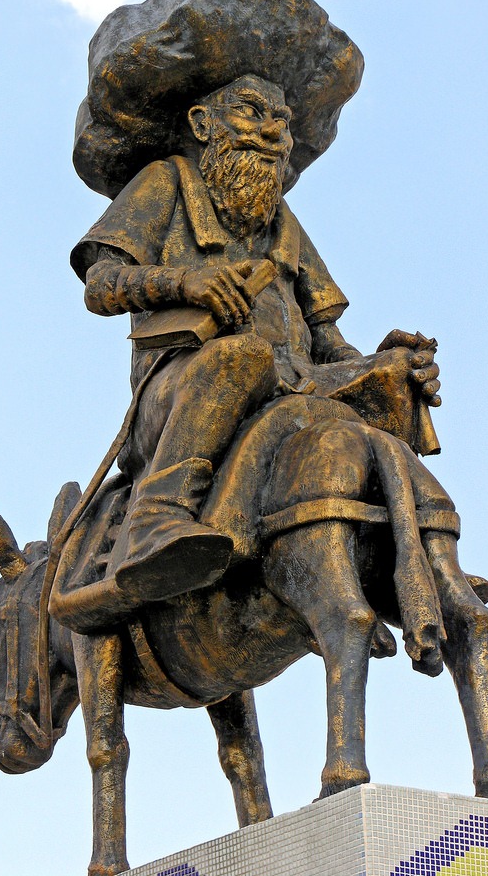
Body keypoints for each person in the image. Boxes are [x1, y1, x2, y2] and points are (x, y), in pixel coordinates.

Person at [70, 73, 441, 605]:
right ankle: (158, 517)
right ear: (203, 124)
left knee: (395, 372)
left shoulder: (284, 223)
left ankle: (407, 553)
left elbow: (327, 339)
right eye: (250, 112)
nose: (271, 132)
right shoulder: (166, 181)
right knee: (242, 355)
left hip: (294, 383)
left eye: (282, 122)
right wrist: (184, 283)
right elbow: (101, 284)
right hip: (180, 394)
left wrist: (378, 365)